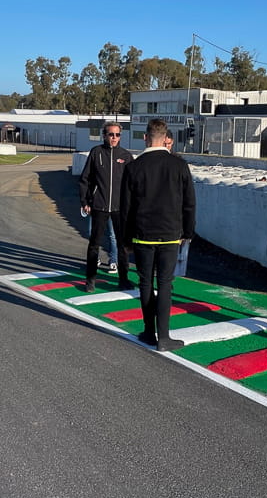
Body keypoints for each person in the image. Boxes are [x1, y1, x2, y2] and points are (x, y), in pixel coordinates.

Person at [120, 118, 196, 352]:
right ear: (166, 139)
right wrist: (188, 231)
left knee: (145, 282)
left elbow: (125, 208)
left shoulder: (134, 167)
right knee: (165, 283)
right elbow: (189, 203)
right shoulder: (179, 165)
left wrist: (126, 239)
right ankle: (164, 336)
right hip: (171, 233)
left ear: (145, 137)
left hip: (143, 234)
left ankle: (147, 331)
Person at [79, 121, 133, 292]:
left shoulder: (126, 156)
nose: (114, 138)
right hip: (99, 207)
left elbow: (132, 184)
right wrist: (85, 201)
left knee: (122, 245)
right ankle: (90, 279)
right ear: (104, 135)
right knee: (94, 244)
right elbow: (85, 179)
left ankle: (123, 279)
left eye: (117, 135)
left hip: (119, 209)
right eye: (111, 134)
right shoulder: (96, 153)